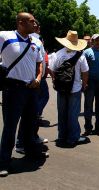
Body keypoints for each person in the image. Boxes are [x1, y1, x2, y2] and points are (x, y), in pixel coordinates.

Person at [0, 12, 49, 177]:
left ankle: (31, 153)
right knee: (10, 127)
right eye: (31, 21)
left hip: (32, 89)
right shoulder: (4, 37)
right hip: (13, 89)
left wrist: (38, 77)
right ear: (21, 22)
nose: (34, 24)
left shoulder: (36, 41)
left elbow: (39, 63)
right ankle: (3, 162)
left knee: (30, 124)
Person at [49, 30, 89, 147]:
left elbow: (52, 69)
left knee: (62, 113)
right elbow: (85, 72)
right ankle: (72, 137)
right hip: (75, 88)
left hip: (61, 89)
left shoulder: (58, 54)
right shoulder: (80, 55)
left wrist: (55, 80)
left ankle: (62, 136)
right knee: (73, 114)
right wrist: (84, 85)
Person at [15, 19, 48, 154]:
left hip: (38, 79)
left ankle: (31, 137)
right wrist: (37, 78)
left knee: (33, 113)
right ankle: (21, 143)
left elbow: (40, 61)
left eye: (36, 24)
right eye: (33, 24)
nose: (36, 26)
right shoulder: (33, 38)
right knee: (28, 115)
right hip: (32, 81)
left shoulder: (37, 39)